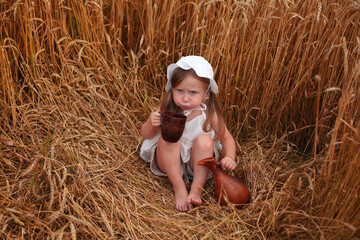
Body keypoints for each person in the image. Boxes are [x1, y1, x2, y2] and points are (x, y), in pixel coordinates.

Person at [140, 56, 236, 211]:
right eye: (179, 90)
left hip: (196, 163)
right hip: (170, 162)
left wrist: (230, 157)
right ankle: (179, 188)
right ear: (172, 88)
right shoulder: (167, 106)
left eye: (193, 92)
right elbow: (146, 135)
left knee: (205, 141)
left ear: (206, 94)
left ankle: (196, 189)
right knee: (168, 139)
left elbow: (226, 137)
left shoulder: (208, 113)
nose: (185, 98)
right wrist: (151, 123)